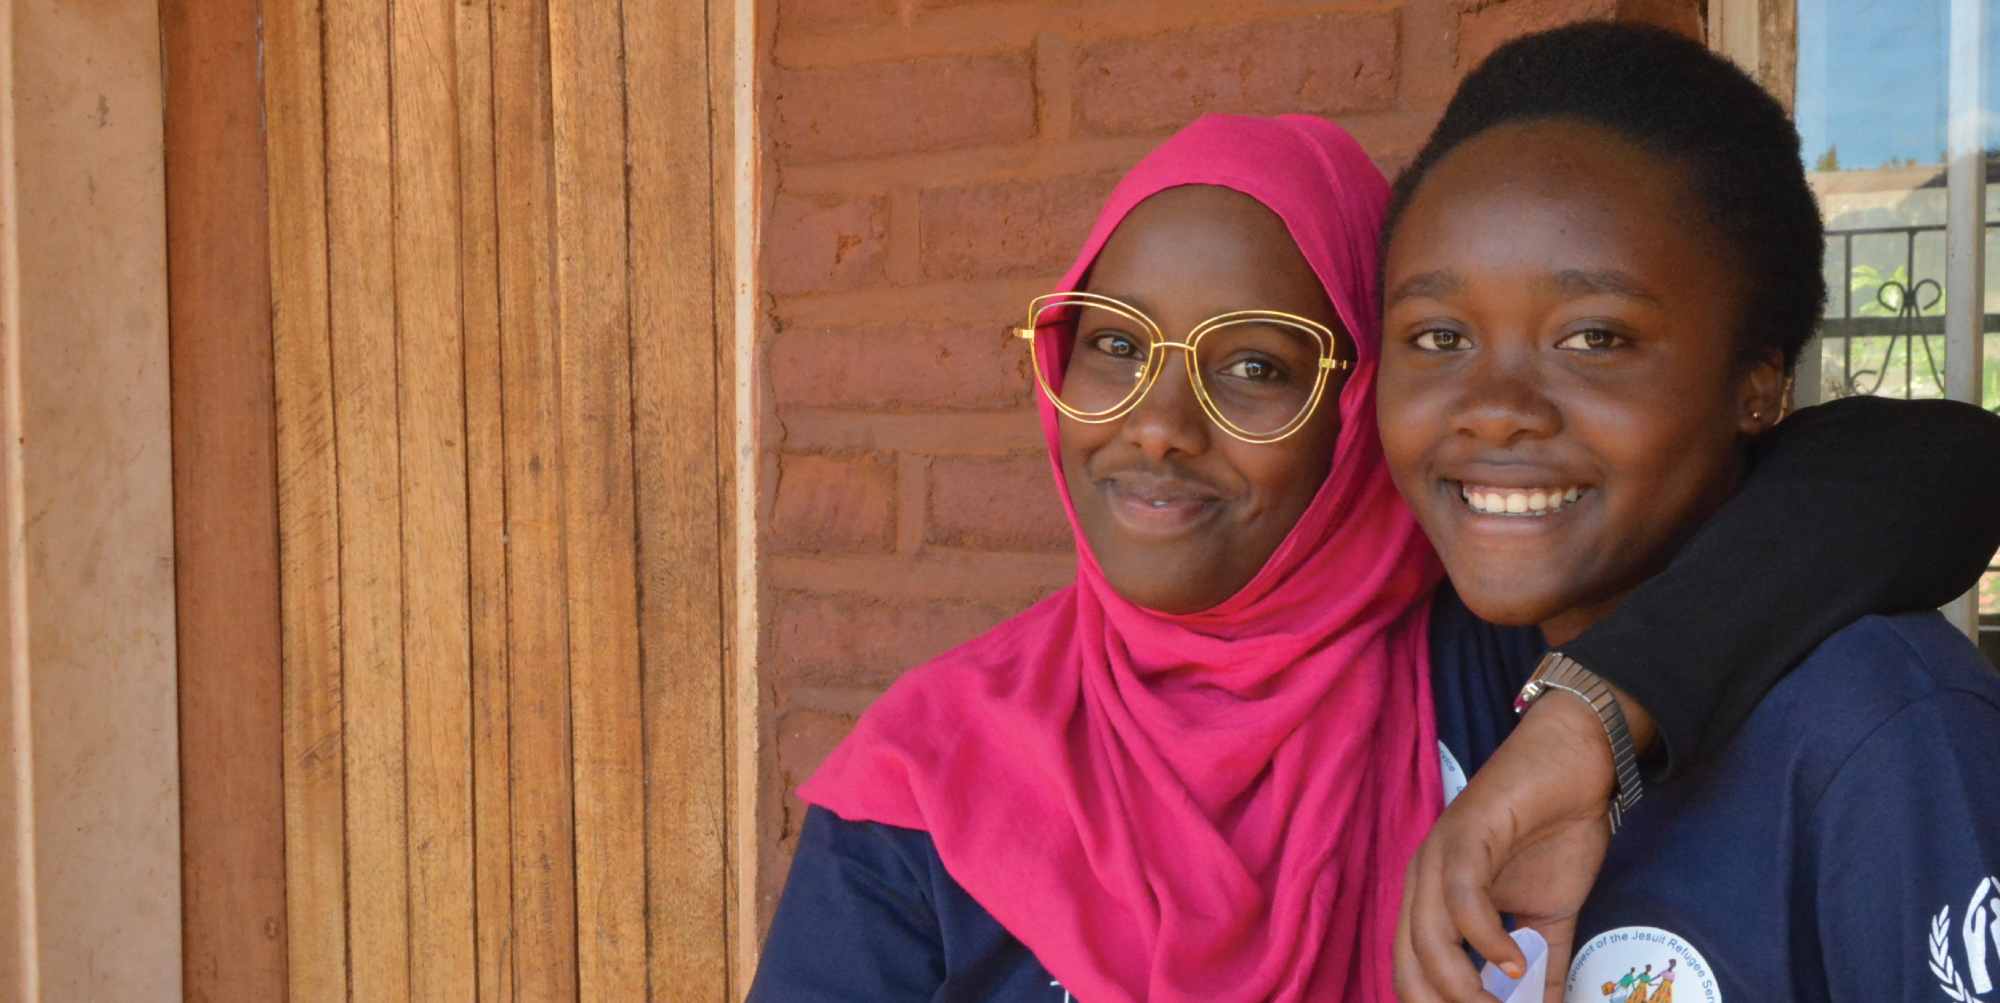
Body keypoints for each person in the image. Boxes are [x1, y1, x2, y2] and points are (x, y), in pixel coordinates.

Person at [747, 114, 2000, 1003]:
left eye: (1255, 365)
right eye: (1112, 342)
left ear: (1357, 411)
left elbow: (1925, 464)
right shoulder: (927, 780)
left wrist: (1586, 714)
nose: (1155, 425)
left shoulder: (1488, 652)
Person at [1379, 23, 2000, 1003]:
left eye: (1594, 337)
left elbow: (1949, 458)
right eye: (1438, 335)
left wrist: (1595, 711)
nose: (1494, 408)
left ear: (1758, 385)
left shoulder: (1877, 727)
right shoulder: (1410, 635)